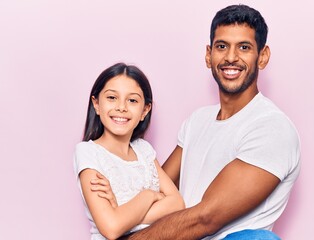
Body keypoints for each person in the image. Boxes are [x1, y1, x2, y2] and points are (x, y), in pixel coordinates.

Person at [101, 4, 300, 240]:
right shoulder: (197, 120)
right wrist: (115, 210)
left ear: (263, 56)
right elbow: (157, 189)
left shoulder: (272, 128)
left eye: (244, 47)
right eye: (222, 46)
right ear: (209, 55)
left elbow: (206, 218)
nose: (231, 57)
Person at [73, 63, 185, 240]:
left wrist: (120, 213)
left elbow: (177, 203)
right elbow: (110, 228)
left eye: (132, 100)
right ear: (96, 104)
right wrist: (149, 196)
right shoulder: (88, 152)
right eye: (112, 97)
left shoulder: (144, 150)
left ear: (145, 110)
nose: (121, 107)